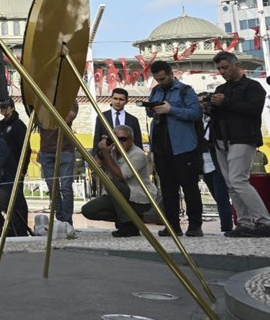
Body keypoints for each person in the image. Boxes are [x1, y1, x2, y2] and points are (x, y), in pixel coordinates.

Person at [208, 51, 270, 237]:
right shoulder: (221, 88)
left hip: (243, 138)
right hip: (221, 140)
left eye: (225, 67)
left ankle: (264, 221)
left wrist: (226, 102)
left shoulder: (253, 87)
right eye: (219, 68)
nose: (222, 71)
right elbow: (219, 114)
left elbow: (253, 109)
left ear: (236, 65)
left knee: (238, 181)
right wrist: (209, 106)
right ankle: (244, 222)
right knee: (232, 184)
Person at [145, 60, 204, 238]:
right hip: (161, 148)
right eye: (157, 79)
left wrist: (171, 110)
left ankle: (195, 225)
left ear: (171, 74)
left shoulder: (186, 91)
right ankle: (172, 226)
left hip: (183, 147)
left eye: (163, 78)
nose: (160, 82)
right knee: (168, 189)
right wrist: (150, 108)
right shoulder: (156, 91)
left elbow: (196, 113)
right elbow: (152, 112)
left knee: (190, 187)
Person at [81, 125, 157, 237]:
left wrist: (107, 154)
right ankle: (133, 219)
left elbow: (120, 177)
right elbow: (95, 167)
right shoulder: (111, 150)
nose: (120, 142)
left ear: (132, 140)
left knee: (113, 184)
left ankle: (127, 225)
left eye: (123, 139)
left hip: (139, 197)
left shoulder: (138, 154)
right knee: (89, 210)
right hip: (115, 196)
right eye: (116, 139)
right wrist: (101, 153)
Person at [36, 102, 78, 235]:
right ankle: (59, 219)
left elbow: (67, 118)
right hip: (46, 150)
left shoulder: (69, 99)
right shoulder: (40, 101)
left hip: (65, 149)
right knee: (53, 188)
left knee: (65, 186)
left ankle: (67, 221)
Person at [0, 99, 30, 235]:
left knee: (17, 198)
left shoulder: (18, 126)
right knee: (6, 198)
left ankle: (21, 227)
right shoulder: (0, 126)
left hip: (15, 167)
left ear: (12, 108)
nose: (3, 110)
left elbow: (25, 149)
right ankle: (10, 226)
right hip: (3, 169)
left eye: (5, 107)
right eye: (1, 107)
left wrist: (23, 169)